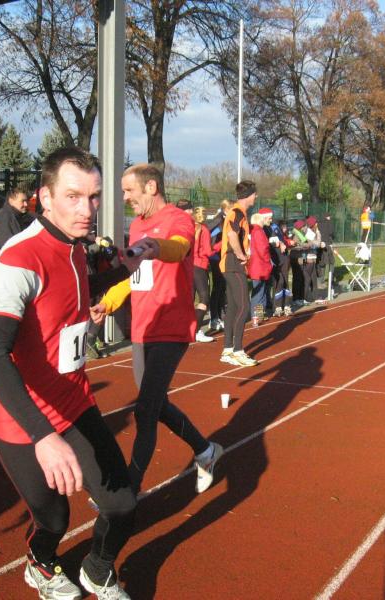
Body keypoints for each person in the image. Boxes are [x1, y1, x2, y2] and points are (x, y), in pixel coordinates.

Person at [0, 147, 136, 600]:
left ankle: (97, 569)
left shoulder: (76, 244)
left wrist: (125, 269)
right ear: (45, 198)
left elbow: (74, 292)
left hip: (73, 399)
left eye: (94, 196)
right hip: (21, 416)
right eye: (73, 196)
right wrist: (43, 437)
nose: (87, 209)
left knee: (122, 504)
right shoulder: (19, 258)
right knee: (54, 518)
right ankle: (40, 562)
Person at [97, 163, 223, 497]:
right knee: (155, 404)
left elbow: (179, 247)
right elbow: (133, 274)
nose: (126, 198)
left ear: (151, 187)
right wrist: (108, 302)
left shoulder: (178, 219)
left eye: (129, 190)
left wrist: (157, 246)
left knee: (144, 410)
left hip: (171, 328)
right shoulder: (137, 225)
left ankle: (128, 489)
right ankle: (206, 450)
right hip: (142, 329)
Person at [220, 180, 259, 366]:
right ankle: (237, 350)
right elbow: (232, 235)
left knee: (233, 308)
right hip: (233, 264)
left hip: (229, 264)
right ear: (249, 195)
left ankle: (228, 349)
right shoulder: (237, 212)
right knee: (244, 307)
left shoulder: (238, 212)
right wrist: (240, 254)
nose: (256, 196)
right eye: (254, 194)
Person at [206, 199, 231, 331]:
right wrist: (220, 245)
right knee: (217, 286)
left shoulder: (228, 220)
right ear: (226, 209)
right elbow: (209, 236)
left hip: (224, 257)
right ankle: (214, 317)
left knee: (222, 286)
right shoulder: (217, 221)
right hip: (215, 257)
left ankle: (221, 315)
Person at [191, 205, 215, 342]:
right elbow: (207, 251)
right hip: (200, 265)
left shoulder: (189, 227)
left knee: (190, 298)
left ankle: (187, 329)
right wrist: (219, 246)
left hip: (189, 266)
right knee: (204, 298)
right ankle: (197, 330)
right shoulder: (203, 229)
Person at [248, 211, 272, 326]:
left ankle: (258, 314)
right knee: (259, 292)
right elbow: (263, 249)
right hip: (260, 266)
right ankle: (256, 316)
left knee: (259, 291)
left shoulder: (254, 231)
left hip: (257, 265)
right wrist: (268, 261)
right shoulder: (258, 231)